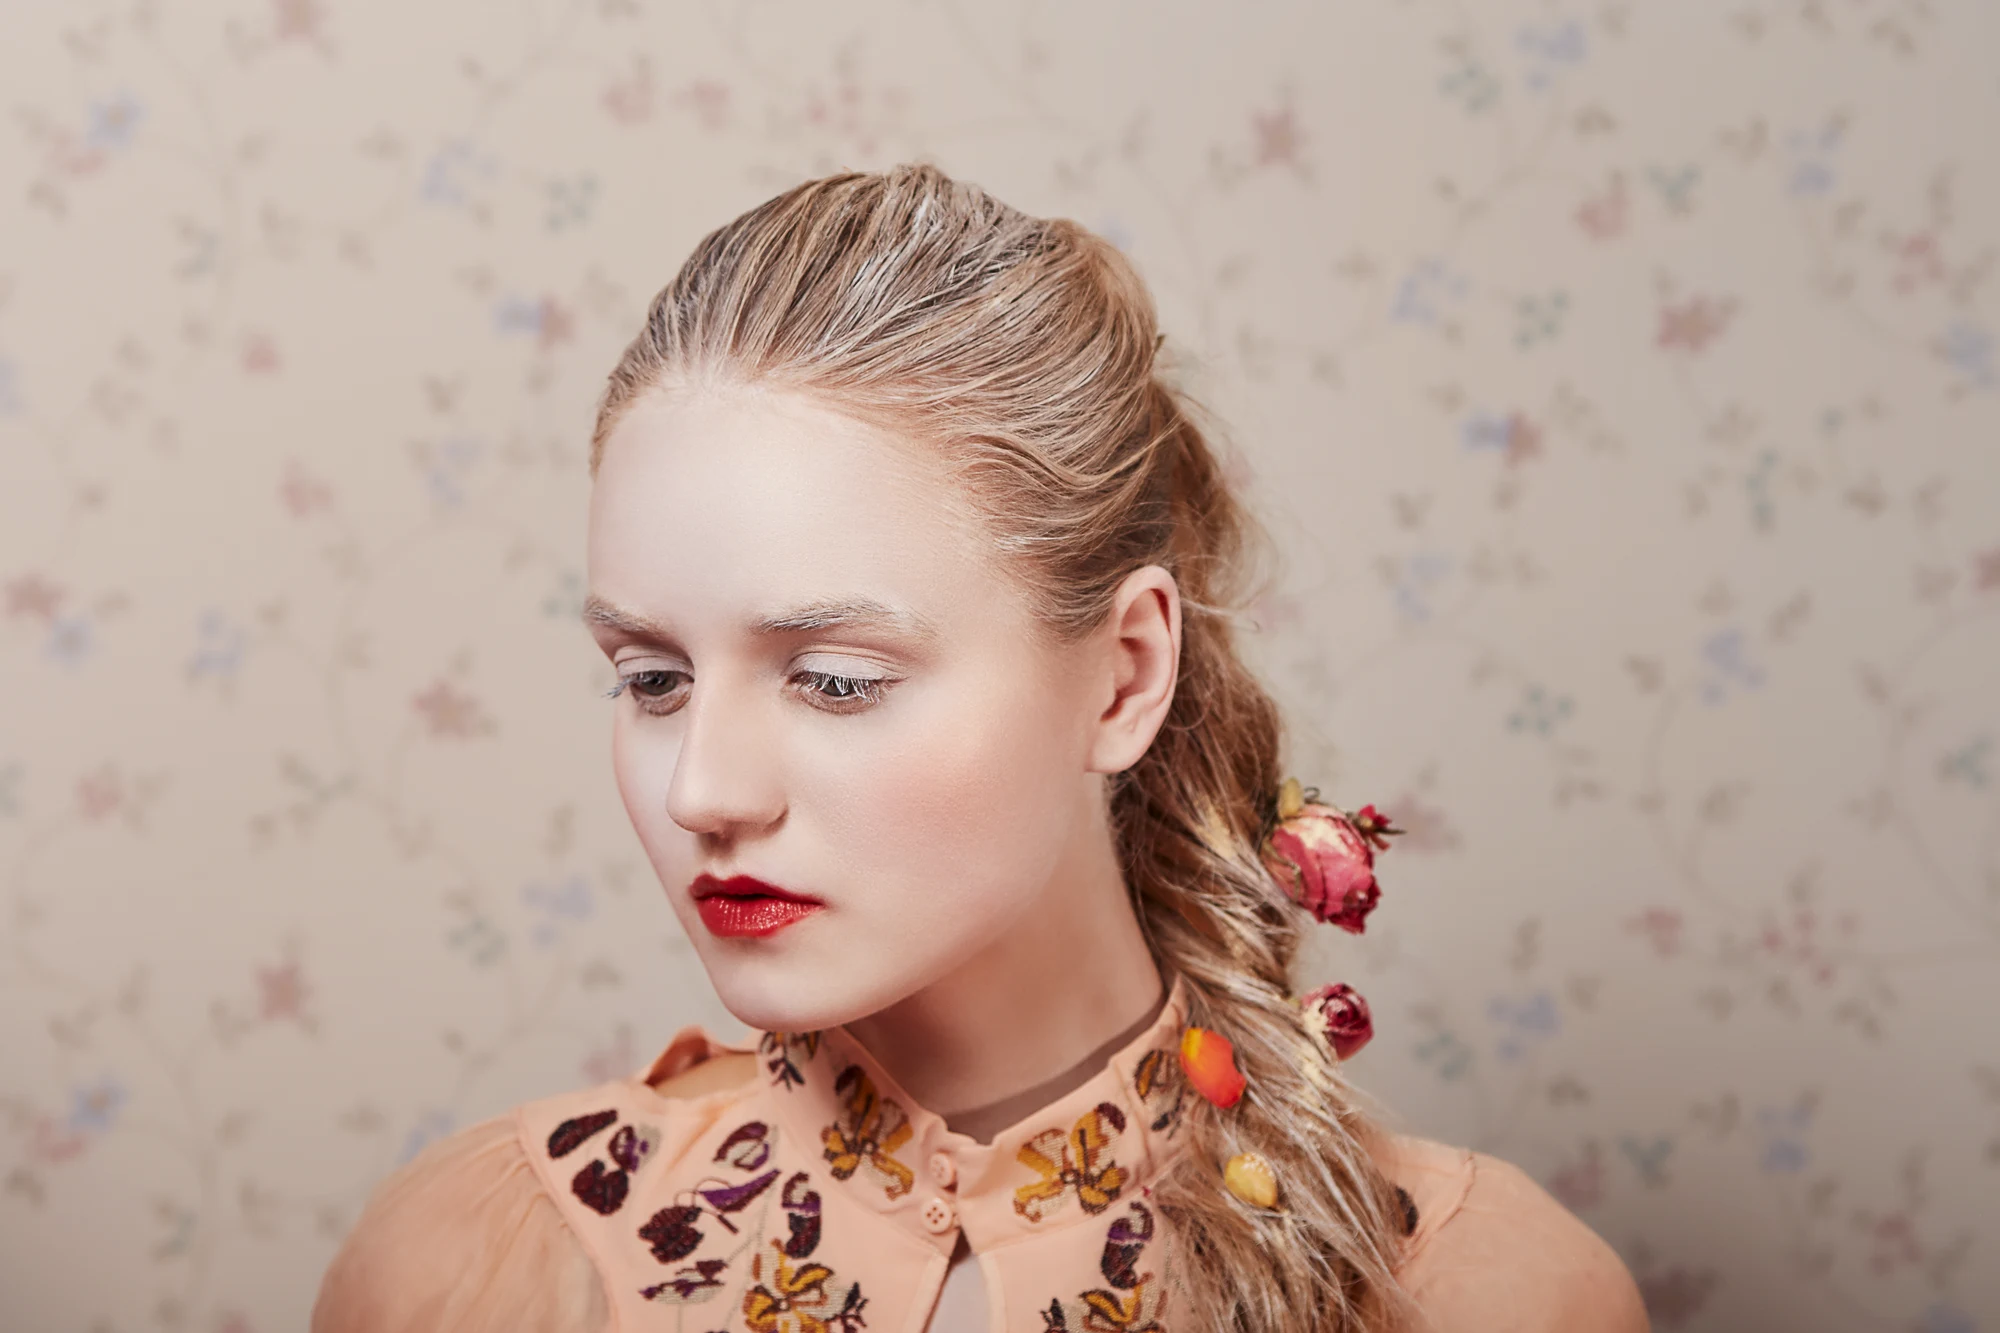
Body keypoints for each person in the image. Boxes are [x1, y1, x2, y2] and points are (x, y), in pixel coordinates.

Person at [311, 163, 1650, 1333]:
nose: (703, 789)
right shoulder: (475, 1269)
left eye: (835, 681)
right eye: (651, 677)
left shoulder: (1479, 1294)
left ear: (1124, 676)